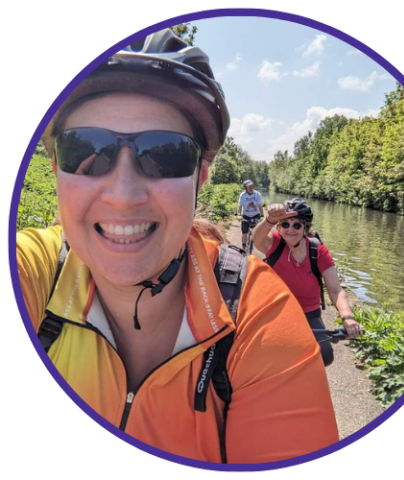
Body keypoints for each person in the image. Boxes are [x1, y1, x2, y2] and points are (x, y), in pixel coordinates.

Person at [16, 30, 339, 463]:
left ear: (200, 177)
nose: (124, 194)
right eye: (85, 149)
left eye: (164, 154)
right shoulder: (31, 269)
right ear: (55, 166)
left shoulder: (259, 321)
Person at [252, 198, 363, 366]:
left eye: (297, 225)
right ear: (279, 227)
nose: (290, 230)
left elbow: (335, 290)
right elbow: (257, 239)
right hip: (275, 310)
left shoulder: (317, 251)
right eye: (285, 225)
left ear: (305, 229)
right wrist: (269, 220)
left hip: (308, 312)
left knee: (325, 356)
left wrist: (348, 318)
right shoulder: (273, 243)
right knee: (264, 355)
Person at [237, 179, 264, 250]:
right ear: (245, 188)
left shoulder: (257, 194)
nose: (251, 188)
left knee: (257, 231)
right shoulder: (243, 195)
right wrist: (239, 215)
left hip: (256, 215)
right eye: (249, 187)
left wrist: (262, 215)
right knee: (244, 232)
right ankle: (243, 247)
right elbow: (240, 206)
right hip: (245, 215)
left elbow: (260, 206)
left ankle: (257, 243)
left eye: (252, 186)